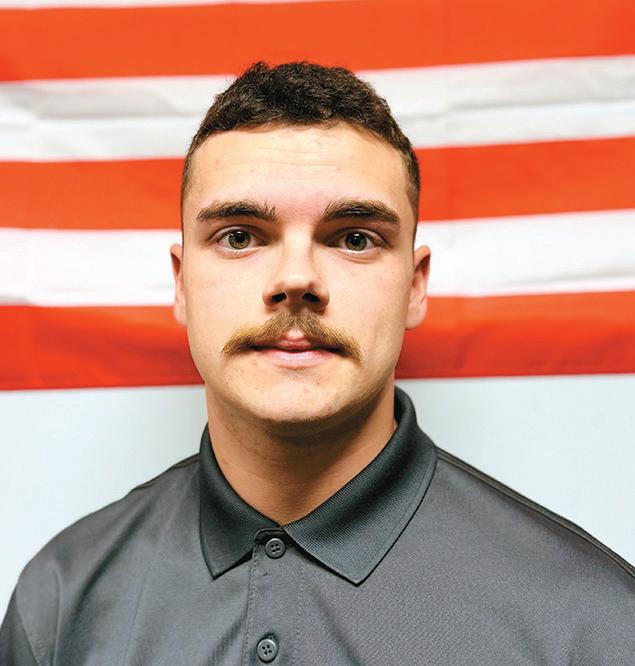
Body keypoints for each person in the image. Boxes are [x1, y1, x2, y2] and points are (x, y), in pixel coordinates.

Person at [1, 61, 633, 665]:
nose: (297, 278)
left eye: (354, 238)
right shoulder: (60, 604)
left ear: (415, 286)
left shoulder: (592, 624)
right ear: (181, 283)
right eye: (240, 236)